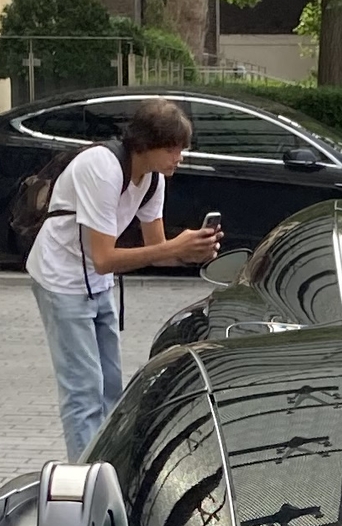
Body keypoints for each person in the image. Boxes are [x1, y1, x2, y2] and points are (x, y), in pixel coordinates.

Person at [26, 100, 218, 455]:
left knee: (112, 387)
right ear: (146, 144)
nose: (180, 157)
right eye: (172, 148)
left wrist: (189, 253)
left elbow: (155, 251)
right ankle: (85, 486)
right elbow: (104, 258)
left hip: (96, 283)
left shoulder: (152, 181)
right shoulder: (103, 167)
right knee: (83, 390)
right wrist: (173, 247)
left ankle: (110, 466)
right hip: (60, 279)